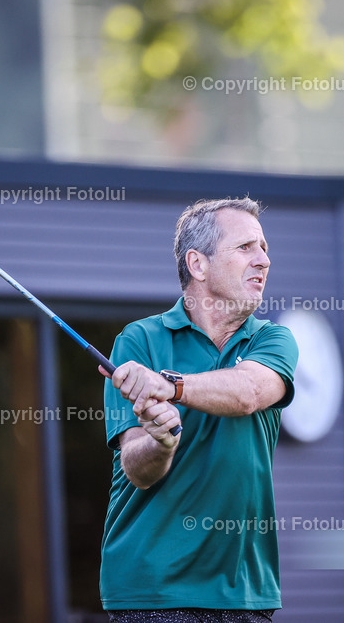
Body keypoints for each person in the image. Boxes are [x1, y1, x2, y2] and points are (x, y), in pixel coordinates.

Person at [99, 197, 299, 622]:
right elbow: (137, 468)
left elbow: (248, 393)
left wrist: (168, 386)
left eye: (263, 248)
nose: (263, 260)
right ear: (198, 264)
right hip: (152, 591)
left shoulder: (273, 340)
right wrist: (162, 441)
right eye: (245, 247)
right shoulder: (138, 342)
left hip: (244, 591)